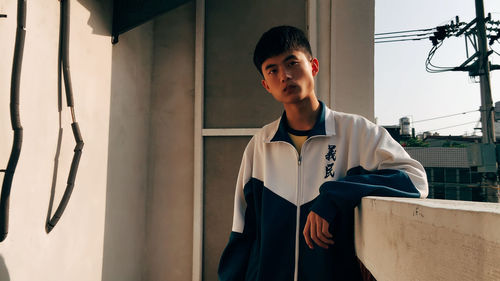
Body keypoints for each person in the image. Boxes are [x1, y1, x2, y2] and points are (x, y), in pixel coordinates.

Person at [218, 25, 428, 281]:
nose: (284, 75)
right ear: (266, 85)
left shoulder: (356, 132)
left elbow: (416, 180)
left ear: (313, 66)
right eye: (272, 70)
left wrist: (334, 196)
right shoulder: (260, 145)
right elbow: (242, 230)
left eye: (292, 63)